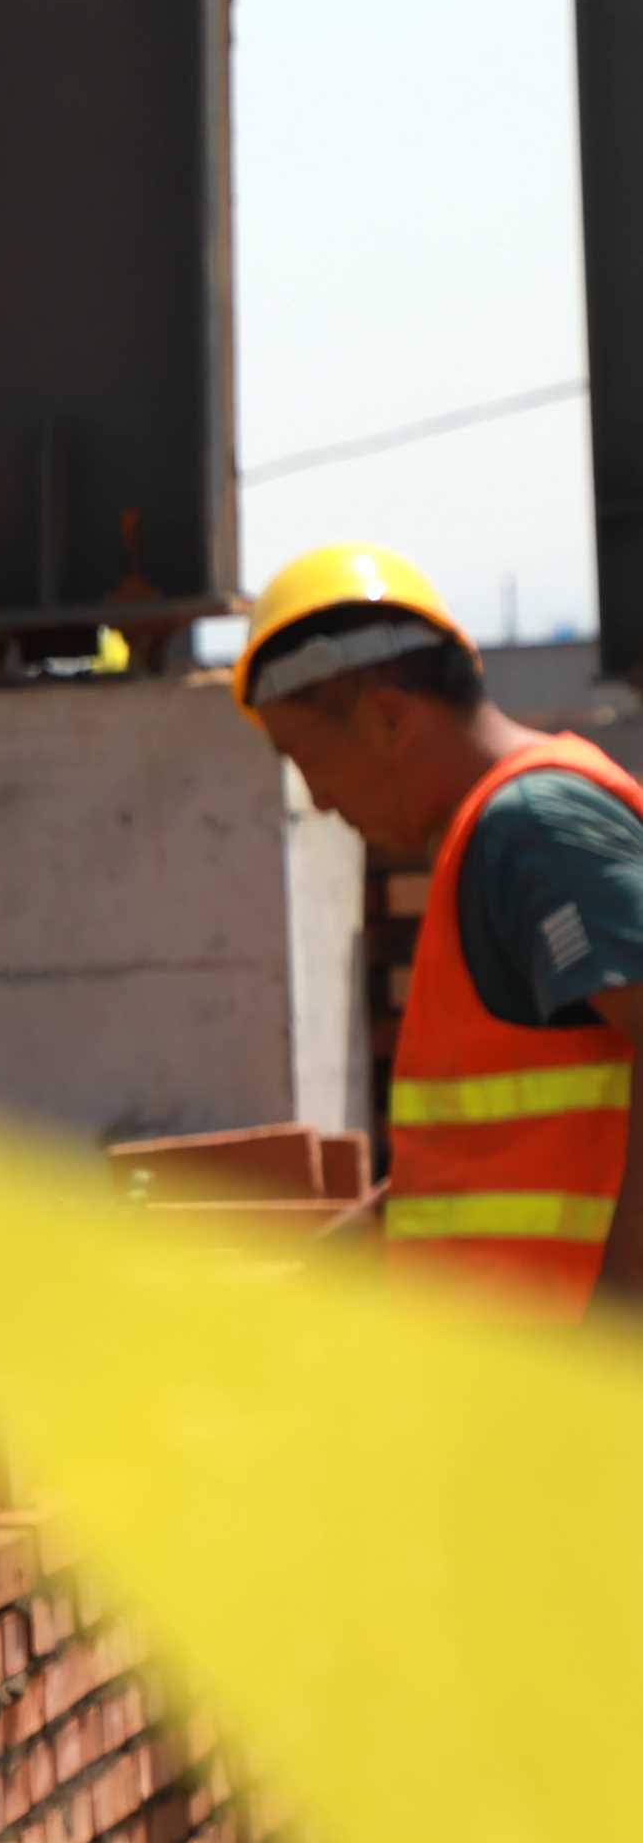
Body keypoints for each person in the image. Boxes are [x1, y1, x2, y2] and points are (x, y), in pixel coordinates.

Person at [239, 540, 643, 1314]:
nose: (318, 800)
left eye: (308, 758)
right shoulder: (493, 838)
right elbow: (489, 1168)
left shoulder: (534, 825)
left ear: (389, 717)